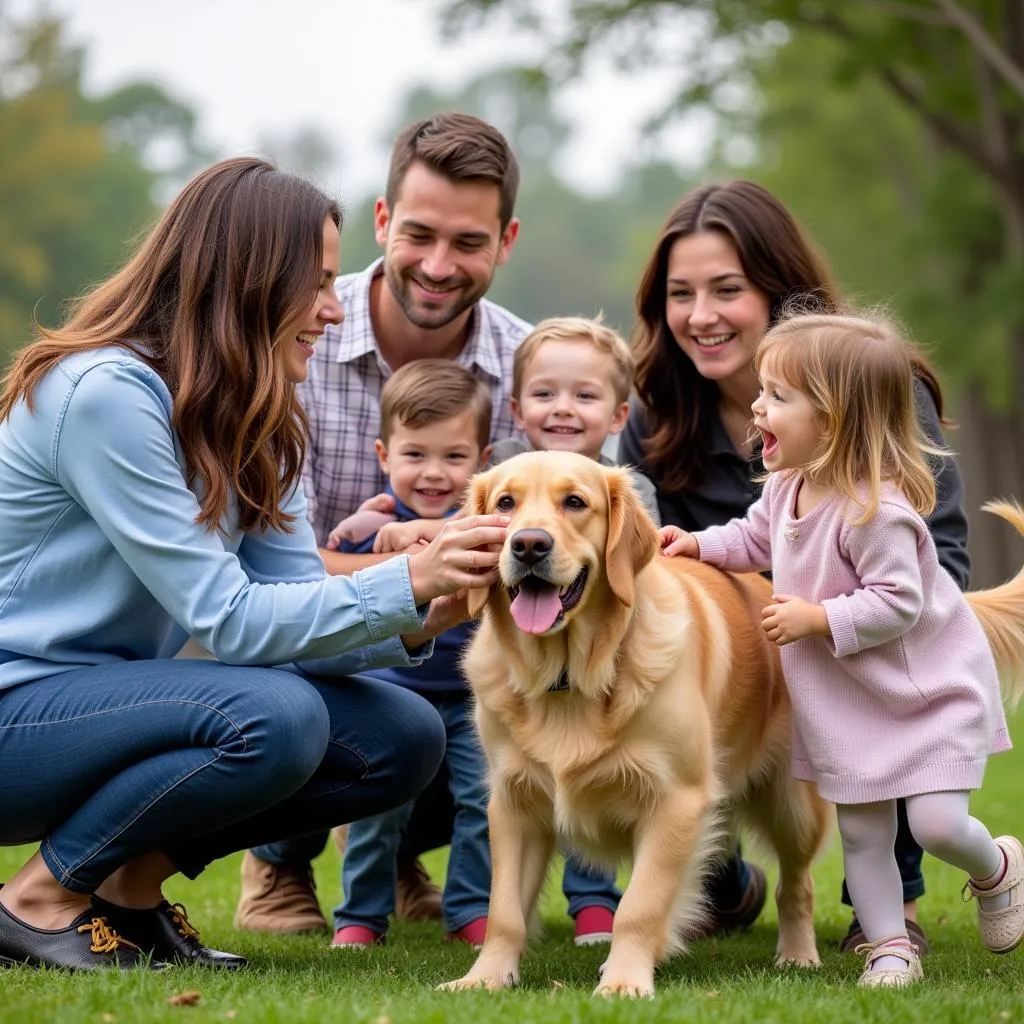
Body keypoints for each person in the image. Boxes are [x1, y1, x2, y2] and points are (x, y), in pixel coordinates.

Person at [0, 157, 509, 973]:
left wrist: (426, 612)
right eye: (315, 283)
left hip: (118, 708)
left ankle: (130, 897)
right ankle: (34, 900)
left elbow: (293, 607)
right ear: (245, 277)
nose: (333, 309)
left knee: (402, 736)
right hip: (18, 711)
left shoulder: (261, 412)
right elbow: (230, 621)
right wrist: (403, 579)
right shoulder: (104, 394)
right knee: (273, 716)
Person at [235, 112, 621, 948]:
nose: (440, 267)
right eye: (418, 234)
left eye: (469, 242)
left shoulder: (534, 377)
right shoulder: (297, 341)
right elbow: (264, 576)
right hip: (313, 641)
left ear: (506, 241)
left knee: (490, 715)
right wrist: (414, 562)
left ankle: (413, 860)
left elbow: (590, 544)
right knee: (314, 681)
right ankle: (279, 860)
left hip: (463, 653)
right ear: (382, 222)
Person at [619, 179, 971, 951]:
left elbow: (939, 557)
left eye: (727, 289)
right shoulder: (653, 411)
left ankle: (893, 908)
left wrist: (832, 619)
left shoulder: (878, 387)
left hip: (875, 632)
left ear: (781, 292)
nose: (700, 316)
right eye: (681, 294)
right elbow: (645, 570)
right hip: (725, 658)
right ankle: (726, 884)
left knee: (881, 711)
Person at [659, 311, 1022, 988]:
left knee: (939, 824)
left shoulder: (876, 511)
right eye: (761, 392)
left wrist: (818, 617)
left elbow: (898, 602)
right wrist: (697, 543)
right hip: (851, 703)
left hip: (927, 692)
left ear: (834, 418)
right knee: (862, 834)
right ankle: (889, 947)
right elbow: (752, 539)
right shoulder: (790, 489)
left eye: (777, 396)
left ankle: (998, 866)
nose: (757, 407)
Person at [329, 359, 494, 948]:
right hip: (395, 691)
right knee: (379, 809)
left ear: (482, 461)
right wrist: (380, 531)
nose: (433, 474)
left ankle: (473, 911)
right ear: (383, 455)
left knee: (484, 804)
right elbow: (332, 575)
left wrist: (427, 533)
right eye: (414, 455)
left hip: (473, 696)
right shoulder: (370, 527)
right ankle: (360, 917)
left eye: (454, 457)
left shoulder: (483, 525)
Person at [489, 315, 660, 526]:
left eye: (585, 396)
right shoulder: (498, 465)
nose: (563, 409)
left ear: (617, 417)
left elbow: (647, 556)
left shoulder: (631, 489)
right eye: (544, 394)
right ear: (518, 412)